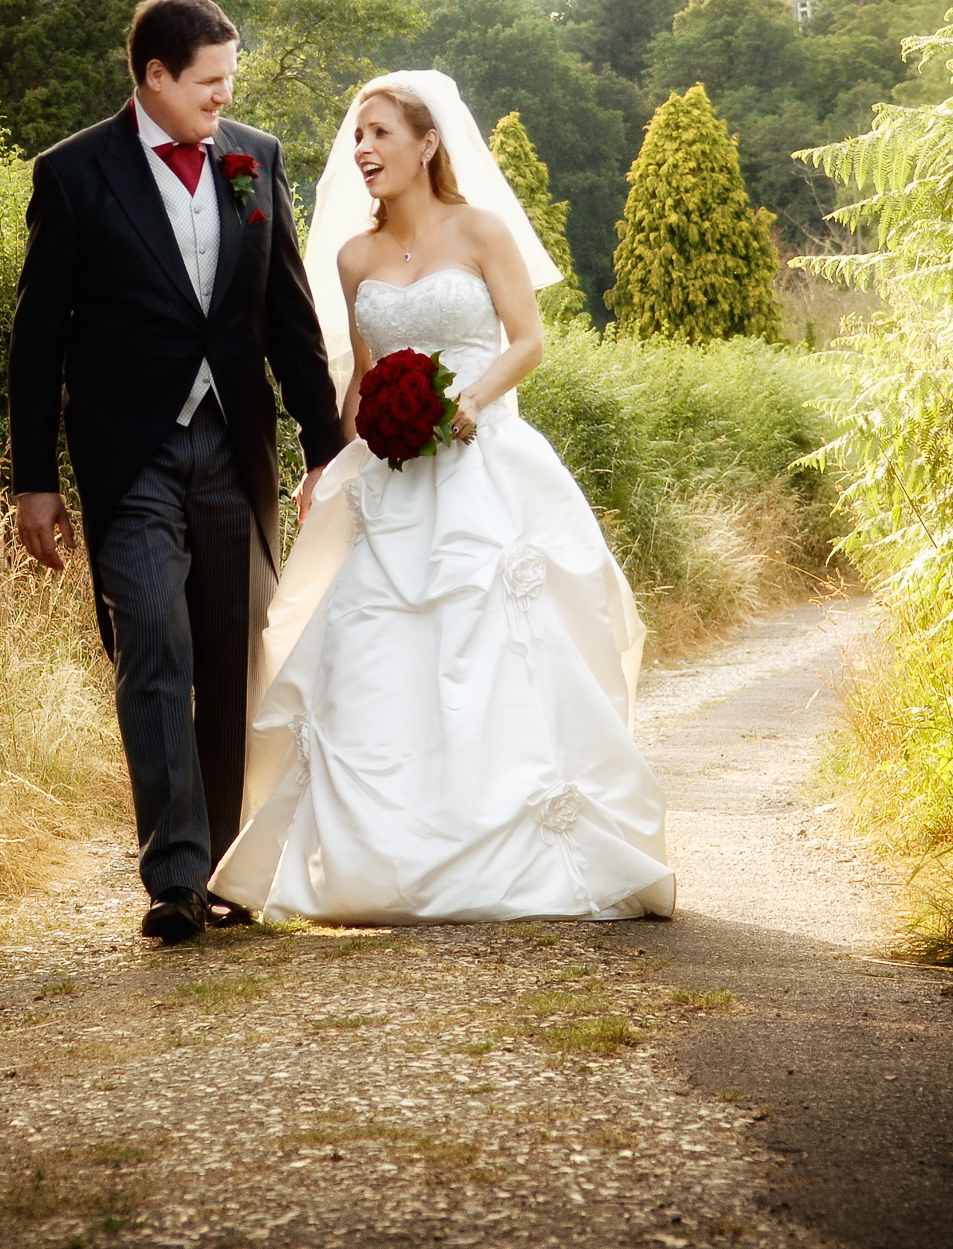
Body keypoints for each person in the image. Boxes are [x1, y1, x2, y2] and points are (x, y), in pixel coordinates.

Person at [209, 72, 677, 924]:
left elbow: (528, 341)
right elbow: (359, 381)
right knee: (372, 651)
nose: (364, 150)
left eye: (381, 133)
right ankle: (380, 862)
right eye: (358, 137)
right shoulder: (354, 258)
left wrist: (468, 401)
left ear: (427, 143)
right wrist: (331, 465)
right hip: (390, 479)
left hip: (479, 459)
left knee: (495, 643)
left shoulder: (481, 229)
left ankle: (515, 844)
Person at [8, 0, 346, 944]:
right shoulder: (72, 175)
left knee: (236, 660)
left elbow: (288, 315)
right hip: (131, 457)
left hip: (233, 447)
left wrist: (329, 451)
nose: (222, 97)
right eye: (208, 81)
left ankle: (234, 865)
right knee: (155, 649)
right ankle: (176, 876)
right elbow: (37, 340)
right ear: (153, 76)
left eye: (228, 79)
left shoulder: (254, 160)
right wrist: (34, 481)